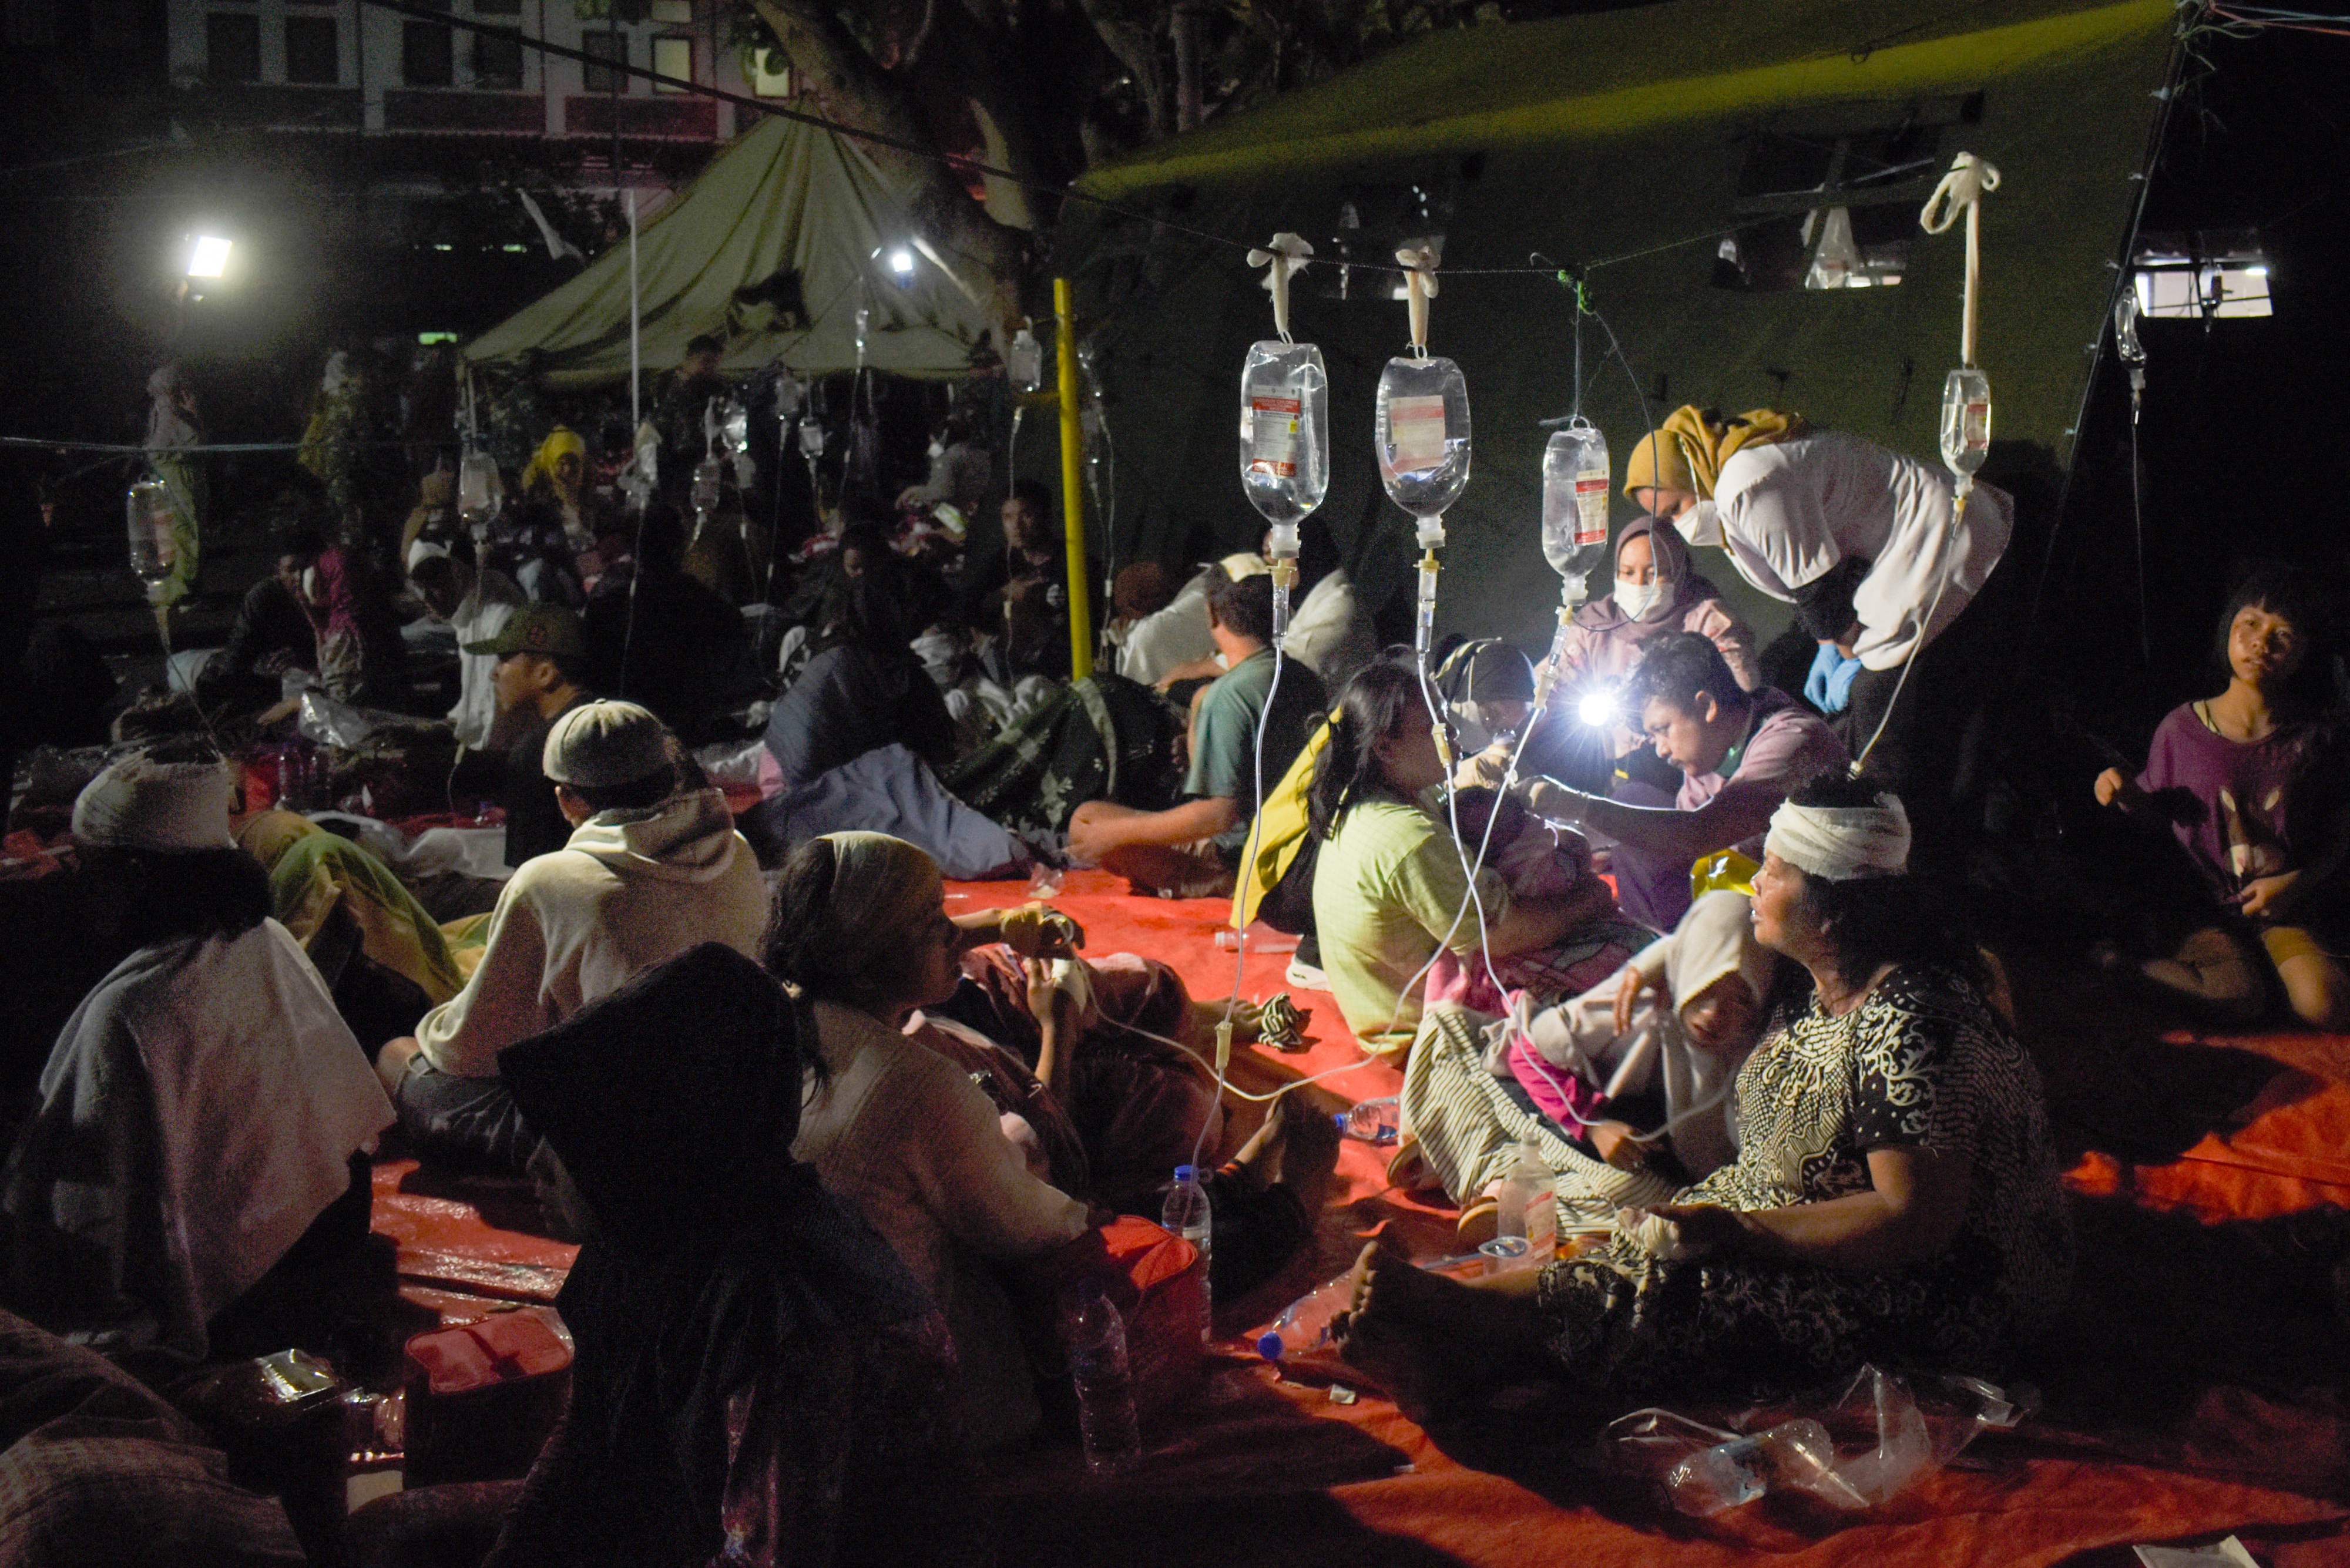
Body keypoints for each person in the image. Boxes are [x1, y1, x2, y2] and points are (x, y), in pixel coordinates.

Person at [1334, 779, 2073, 1424]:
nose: (1755, 880)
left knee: (1692, 1290)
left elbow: (1911, 1219)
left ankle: (1456, 1318)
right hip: (1801, 1212)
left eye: (1775, 872)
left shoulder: (1911, 1020)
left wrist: (1739, 1227)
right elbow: (1715, 915)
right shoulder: (1814, 984)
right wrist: (1666, 968)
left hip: (1944, 1296)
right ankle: (1467, 1357)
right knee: (1625, 1243)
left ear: (1832, 907)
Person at [485, 942, 973, 1568]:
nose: (537, 1167)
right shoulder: (653, 1236)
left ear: (646, 1136)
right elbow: (586, 1447)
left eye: (569, 1140)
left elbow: (768, 1553)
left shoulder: (792, 1312)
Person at [3, 753, 395, 1359]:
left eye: (87, 864)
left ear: (132, 872)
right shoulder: (265, 939)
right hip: (319, 1232)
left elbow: (78, 1229)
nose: (77, 881)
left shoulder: (133, 1010)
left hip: (236, 1297)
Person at [765, 834, 1092, 1452]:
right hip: (897, 1399)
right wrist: (1059, 1029)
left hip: (783, 1352)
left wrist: (994, 924)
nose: (953, 932)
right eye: (931, 922)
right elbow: (1039, 1227)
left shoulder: (775, 1014)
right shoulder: (915, 1085)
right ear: (866, 963)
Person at [374, 703, 766, 1171]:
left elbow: (471, 1051)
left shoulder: (551, 880)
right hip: (737, 1115)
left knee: (399, 1057)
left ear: (567, 799)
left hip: (619, 1146)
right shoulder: (736, 849)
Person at [1625, 405, 2015, 833]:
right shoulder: (1739, 478)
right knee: (1887, 707)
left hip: (1943, 546)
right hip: (1917, 556)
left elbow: (1820, 590)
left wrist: (1849, 653)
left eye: (1676, 507)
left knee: (1878, 718)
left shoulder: (1743, 484)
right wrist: (1832, 647)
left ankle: (1905, 845)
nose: (1678, 525)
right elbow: (1812, 572)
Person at [1398, 889, 1782, 1246]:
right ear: (1685, 968)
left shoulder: (1751, 1049)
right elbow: (1527, 1054)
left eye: (1741, 1001)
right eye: (1706, 986)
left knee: (1658, 1208)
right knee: (1446, 1034)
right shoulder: (1638, 1007)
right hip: (1566, 1095)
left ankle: (1472, 1167)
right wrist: (1592, 1125)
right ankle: (1492, 1179)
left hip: (1640, 1140)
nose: (1715, 1014)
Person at [1310, 660, 1620, 1057]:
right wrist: (1590, 899)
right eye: (1434, 726)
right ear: (1386, 747)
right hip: (1418, 1035)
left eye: (1447, 718)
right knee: (1626, 974)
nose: (1451, 733)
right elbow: (1501, 936)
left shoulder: (1372, 802)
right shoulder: (1407, 838)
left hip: (1389, 1006)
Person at [2094, 568, 2350, 1029]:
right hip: (2201, 908)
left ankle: (2266, 975)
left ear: (2303, 653)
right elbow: (2155, 816)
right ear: (2229, 628)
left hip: (2282, 910)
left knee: (2323, 1005)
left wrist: (2296, 882)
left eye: (2283, 634)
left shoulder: (2312, 740)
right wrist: (2123, 791)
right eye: (2251, 623)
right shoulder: (2182, 728)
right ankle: (2120, 966)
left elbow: (2341, 831)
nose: (2261, 642)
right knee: (2239, 997)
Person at [1519, 632, 1847, 932]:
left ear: (1705, 706)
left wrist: (1579, 807)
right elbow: (1682, 850)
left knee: (1637, 812)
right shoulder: (1712, 760)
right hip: (1752, 903)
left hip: (1829, 913)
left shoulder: (1791, 741)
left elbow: (1698, 833)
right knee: (1634, 817)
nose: (1660, 749)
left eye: (1663, 729)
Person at [1068, 571, 1327, 899]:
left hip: (1245, 854)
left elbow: (1220, 815)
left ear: (1213, 615)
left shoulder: (1230, 696)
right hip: (1301, 844)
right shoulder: (1303, 678)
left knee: (1087, 823)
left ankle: (1213, 880)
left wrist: (1114, 834)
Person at [760, 538, 957, 794]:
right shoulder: (882, 670)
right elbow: (937, 751)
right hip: (809, 796)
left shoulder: (834, 648)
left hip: (773, 775)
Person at [580, 503, 749, 748]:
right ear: (680, 545)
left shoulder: (605, 608)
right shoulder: (703, 602)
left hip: (625, 734)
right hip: (692, 734)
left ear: (630, 547)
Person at [457, 603, 597, 867]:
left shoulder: (537, 752)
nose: (494, 673)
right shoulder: (618, 723)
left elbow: (531, 879)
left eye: (505, 659)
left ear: (545, 673)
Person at [958, 479, 1092, 678]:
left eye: (1026, 515)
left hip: (1063, 667)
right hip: (1011, 669)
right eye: (1008, 517)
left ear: (1045, 517)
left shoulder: (1073, 562)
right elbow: (963, 608)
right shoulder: (1002, 562)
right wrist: (1004, 595)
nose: (1016, 526)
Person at [408, 542, 526, 752]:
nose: (427, 599)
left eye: (433, 585)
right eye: (421, 589)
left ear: (456, 575)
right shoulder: (470, 620)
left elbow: (498, 716)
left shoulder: (498, 621)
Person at [197, 522, 325, 711]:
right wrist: (267, 665)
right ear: (278, 572)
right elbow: (240, 651)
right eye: (291, 570)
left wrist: (306, 659)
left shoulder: (332, 593)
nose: (299, 577)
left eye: (306, 568)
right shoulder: (264, 597)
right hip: (277, 679)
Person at [897, 411, 992, 516]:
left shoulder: (949, 458)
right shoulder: (976, 453)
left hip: (960, 518)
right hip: (975, 509)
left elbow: (942, 492)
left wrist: (913, 491)